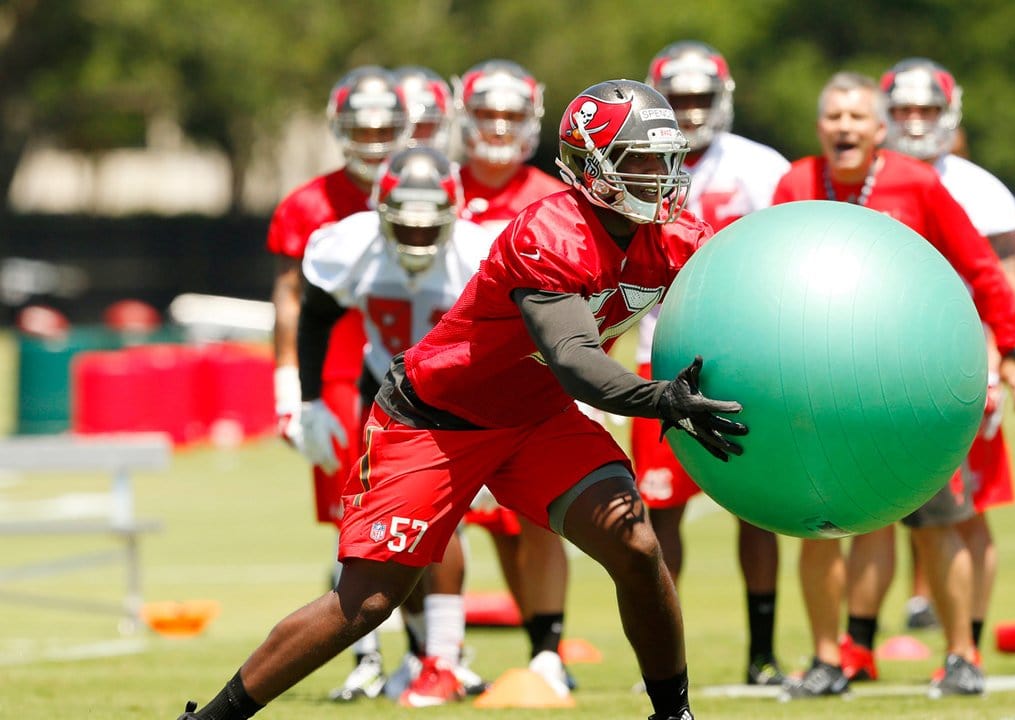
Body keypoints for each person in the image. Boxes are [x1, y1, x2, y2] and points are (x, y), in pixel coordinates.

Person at [177, 78, 740, 720]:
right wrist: (664, 400)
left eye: (664, 158)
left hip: (533, 417)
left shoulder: (676, 237)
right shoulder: (551, 233)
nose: (659, 174)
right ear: (592, 167)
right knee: (366, 602)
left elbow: (741, 290)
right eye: (638, 159)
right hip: (436, 422)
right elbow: (578, 363)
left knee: (634, 542)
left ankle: (674, 715)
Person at [771, 70, 1015, 698]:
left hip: (913, 385)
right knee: (822, 520)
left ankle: (963, 653)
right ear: (819, 128)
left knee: (937, 521)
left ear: (880, 128)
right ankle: (830, 658)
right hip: (823, 388)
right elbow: (768, 272)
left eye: (857, 117)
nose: (844, 127)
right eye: (834, 117)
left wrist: (1014, 350)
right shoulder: (796, 182)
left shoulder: (917, 182)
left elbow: (980, 266)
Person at [291, 145, 491, 707]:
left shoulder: (479, 252)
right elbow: (316, 313)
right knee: (375, 528)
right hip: (382, 392)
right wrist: (307, 399)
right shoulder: (349, 246)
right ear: (381, 212)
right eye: (405, 227)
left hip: (456, 398)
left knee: (443, 525)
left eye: (430, 231)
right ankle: (414, 656)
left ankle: (444, 659)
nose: (419, 241)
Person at [637, 39, 792, 687]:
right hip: (661, 356)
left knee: (757, 508)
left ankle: (762, 652)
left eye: (702, 98)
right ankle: (667, 658)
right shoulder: (636, 163)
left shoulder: (761, 167)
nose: (693, 111)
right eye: (680, 99)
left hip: (748, 359)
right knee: (657, 513)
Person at [873, 56, 1015, 658]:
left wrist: (1000, 361)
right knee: (893, 507)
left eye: (927, 110)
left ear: (951, 114)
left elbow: (999, 279)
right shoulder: (871, 177)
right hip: (885, 369)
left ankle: (972, 639)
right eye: (904, 110)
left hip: (960, 366)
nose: (915, 122)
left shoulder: (973, 185)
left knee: (968, 511)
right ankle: (878, 634)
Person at [266, 64, 411, 702]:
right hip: (333, 376)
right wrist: (287, 387)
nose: (375, 137)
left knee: (420, 517)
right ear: (339, 128)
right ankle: (370, 655)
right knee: (351, 520)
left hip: (412, 374)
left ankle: (435, 655)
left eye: (386, 125)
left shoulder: (431, 189)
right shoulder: (308, 205)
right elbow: (292, 300)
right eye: (362, 125)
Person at [450, 57, 581, 691]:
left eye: (510, 114)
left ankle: (547, 651)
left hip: (536, 381)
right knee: (473, 527)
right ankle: (440, 654)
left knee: (539, 517)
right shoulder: (437, 190)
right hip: (457, 382)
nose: (499, 127)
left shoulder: (551, 197)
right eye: (487, 113)